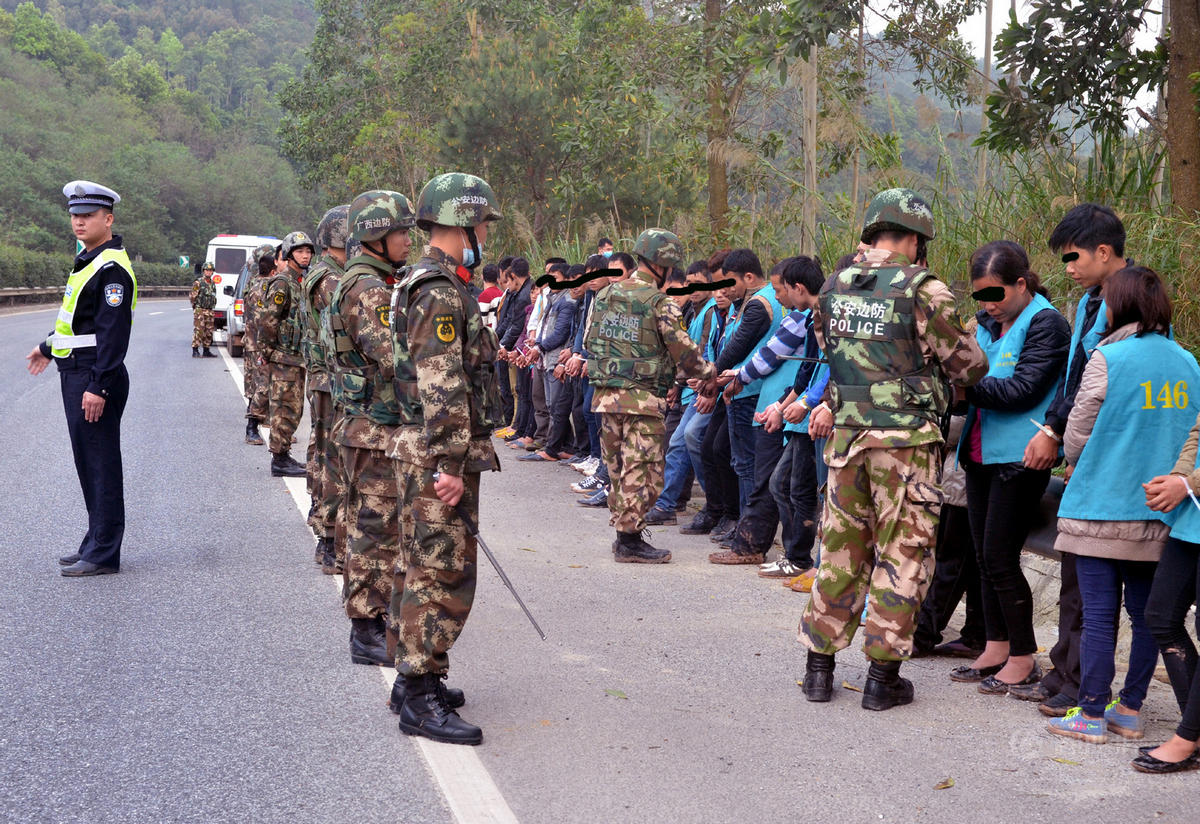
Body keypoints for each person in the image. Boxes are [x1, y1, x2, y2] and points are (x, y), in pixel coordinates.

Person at [799, 188, 988, 710]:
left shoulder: (832, 287)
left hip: (846, 440)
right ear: (914, 238)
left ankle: (819, 669)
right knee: (902, 555)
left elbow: (829, 353)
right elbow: (970, 368)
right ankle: (882, 679)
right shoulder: (925, 289)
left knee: (841, 550)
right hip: (906, 446)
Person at [1046, 266, 1200, 746]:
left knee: (1097, 614)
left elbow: (1076, 432)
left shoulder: (1108, 356)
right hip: (1160, 508)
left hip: (1099, 502)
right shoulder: (1189, 363)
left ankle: (1090, 712)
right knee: (1146, 614)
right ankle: (1129, 709)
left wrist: (1075, 455)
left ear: (1122, 304)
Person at [386, 173, 503, 745]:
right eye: (481, 223)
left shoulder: (434, 283)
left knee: (424, 565)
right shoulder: (437, 291)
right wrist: (451, 464)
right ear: (462, 224)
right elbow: (443, 384)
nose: (484, 233)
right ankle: (419, 692)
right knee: (441, 574)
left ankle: (414, 682)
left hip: (425, 450)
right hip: (437, 453)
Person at [1013, 204, 1130, 716]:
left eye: (1074, 257)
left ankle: (1081, 681)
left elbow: (1097, 384)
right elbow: (1071, 376)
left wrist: (1058, 432)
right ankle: (1063, 668)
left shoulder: (1131, 304)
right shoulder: (1089, 300)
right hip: (1079, 448)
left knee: (1091, 573)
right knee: (1074, 565)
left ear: (1105, 252)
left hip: (1107, 452)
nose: (1069, 268)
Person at [948, 241, 1068, 695]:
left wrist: (962, 389)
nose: (989, 304)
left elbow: (1023, 389)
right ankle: (996, 645)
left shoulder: (1047, 324)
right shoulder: (984, 323)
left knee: (1000, 555)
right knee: (983, 556)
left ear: (1022, 283)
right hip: (979, 452)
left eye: (996, 294)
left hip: (1020, 458)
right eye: (981, 296)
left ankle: (1023, 656)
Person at [585, 228, 717, 563]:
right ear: (664, 267)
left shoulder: (604, 296)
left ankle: (623, 534)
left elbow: (589, 342)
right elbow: (685, 354)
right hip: (642, 400)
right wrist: (710, 373)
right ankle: (629, 541)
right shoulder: (660, 304)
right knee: (642, 469)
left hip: (605, 395)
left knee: (617, 467)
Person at [323, 191, 414, 667]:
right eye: (400, 232)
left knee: (375, 526)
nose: (407, 240)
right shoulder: (370, 290)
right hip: (373, 426)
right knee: (374, 530)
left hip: (366, 423)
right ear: (376, 235)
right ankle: (366, 628)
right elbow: (397, 356)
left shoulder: (369, 281)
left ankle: (375, 622)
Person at [26, 180, 136, 577]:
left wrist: (99, 386)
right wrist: (46, 346)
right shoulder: (89, 260)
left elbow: (112, 334)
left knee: (101, 463)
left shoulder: (110, 271)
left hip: (93, 375)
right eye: (75, 215)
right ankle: (94, 541)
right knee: (87, 462)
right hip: (76, 370)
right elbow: (78, 325)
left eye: (88, 215)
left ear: (108, 219)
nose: (79, 221)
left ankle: (105, 552)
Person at [1142, 412, 1200, 772]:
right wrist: (1179, 479)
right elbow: (1198, 432)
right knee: (1160, 617)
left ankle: (1186, 737)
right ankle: (1193, 732)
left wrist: (1190, 483)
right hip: (1192, 517)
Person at [302, 205, 350, 572]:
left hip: (324, 378)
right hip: (330, 381)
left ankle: (324, 524)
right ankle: (329, 539)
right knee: (332, 459)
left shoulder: (324, 272)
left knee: (324, 453)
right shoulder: (330, 279)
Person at [259, 231, 314, 477]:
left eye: (308, 251)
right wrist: (268, 351)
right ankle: (279, 459)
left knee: (294, 409)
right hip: (283, 356)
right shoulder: (282, 282)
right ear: (290, 254)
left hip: (296, 357)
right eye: (300, 251)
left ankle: (284, 454)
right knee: (283, 408)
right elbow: (268, 319)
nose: (305, 255)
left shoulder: (300, 281)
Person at [241, 244, 276, 446]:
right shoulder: (259, 287)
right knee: (260, 386)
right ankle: (252, 428)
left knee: (268, 386)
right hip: (258, 344)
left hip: (264, 344)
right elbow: (260, 320)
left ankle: (271, 424)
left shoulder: (269, 285)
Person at [190, 261, 217, 358]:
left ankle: (206, 350)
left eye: (210, 270)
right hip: (200, 309)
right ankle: (195, 350)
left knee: (209, 332)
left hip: (209, 310)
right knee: (199, 330)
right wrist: (196, 308)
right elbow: (193, 297)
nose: (209, 272)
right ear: (203, 271)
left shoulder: (213, 284)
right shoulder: (198, 282)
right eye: (207, 270)